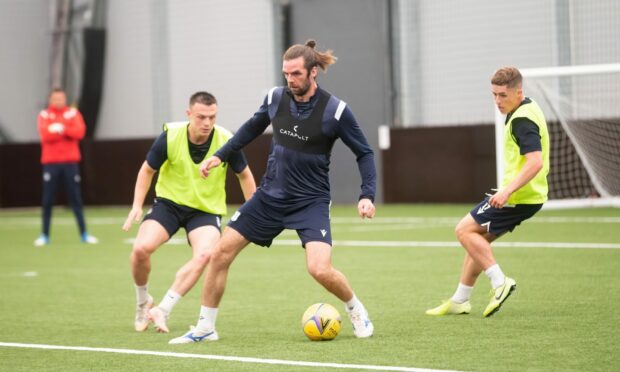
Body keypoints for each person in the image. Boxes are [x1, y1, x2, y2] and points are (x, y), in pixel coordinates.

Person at [169, 40, 377, 344]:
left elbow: (365, 153)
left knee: (319, 269)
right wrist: (221, 155)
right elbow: (251, 128)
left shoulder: (336, 111)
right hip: (269, 196)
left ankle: (355, 308)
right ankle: (205, 327)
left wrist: (367, 194)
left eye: (295, 74)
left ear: (313, 72)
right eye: (286, 74)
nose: (289, 80)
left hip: (310, 201)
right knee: (219, 254)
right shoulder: (275, 98)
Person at [122, 91, 256, 333]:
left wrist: (253, 211)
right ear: (189, 114)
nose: (207, 123)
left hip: (204, 211)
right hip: (168, 205)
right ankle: (143, 302)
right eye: (201, 117)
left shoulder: (227, 140)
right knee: (140, 250)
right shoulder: (170, 136)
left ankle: (162, 309)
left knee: (205, 255)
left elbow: (244, 175)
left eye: (212, 117)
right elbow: (146, 170)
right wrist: (136, 205)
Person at [426, 67, 549, 317]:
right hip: (528, 196)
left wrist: (507, 192)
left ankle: (499, 282)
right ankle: (460, 300)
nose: (497, 101)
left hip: (517, 198)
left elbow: (535, 161)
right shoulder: (527, 106)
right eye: (494, 95)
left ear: (519, 92)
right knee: (477, 241)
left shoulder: (522, 120)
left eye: (503, 95)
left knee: (463, 230)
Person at [35, 88, 98, 246]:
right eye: (55, 99)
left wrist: (61, 128)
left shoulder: (73, 113)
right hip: (50, 163)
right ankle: (44, 235)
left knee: (76, 198)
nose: (58, 101)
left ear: (65, 98)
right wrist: (60, 131)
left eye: (61, 98)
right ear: (50, 99)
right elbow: (45, 135)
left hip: (70, 163)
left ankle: (84, 234)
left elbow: (79, 132)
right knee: (48, 199)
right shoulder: (44, 115)